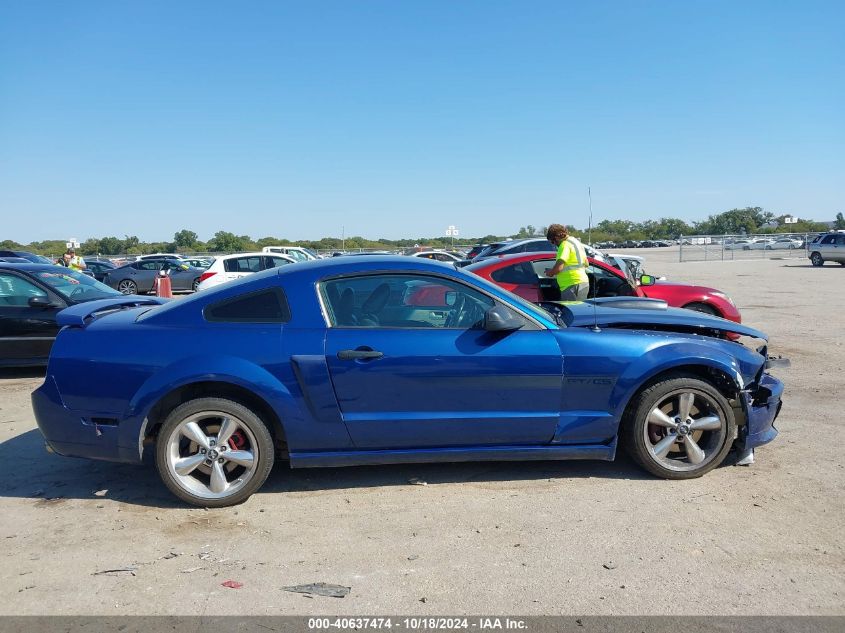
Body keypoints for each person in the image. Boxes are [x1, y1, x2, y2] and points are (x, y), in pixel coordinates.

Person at [544, 224, 589, 300]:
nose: (554, 244)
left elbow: (559, 268)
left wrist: (550, 272)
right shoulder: (576, 242)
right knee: (580, 310)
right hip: (583, 282)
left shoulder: (564, 245)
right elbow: (586, 263)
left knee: (571, 310)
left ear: (556, 237)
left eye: (552, 241)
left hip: (571, 284)